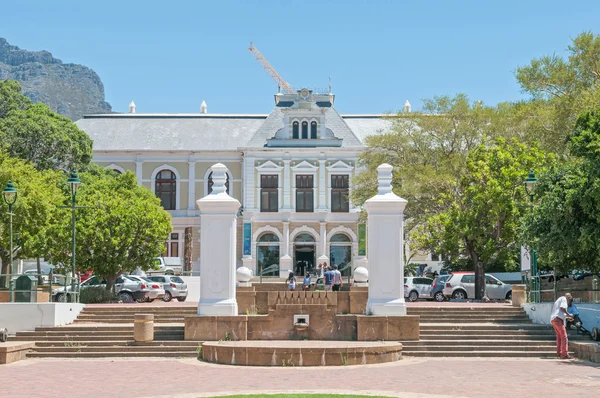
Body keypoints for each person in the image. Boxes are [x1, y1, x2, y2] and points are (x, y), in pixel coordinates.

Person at [550, 293, 574, 359]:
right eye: (569, 302)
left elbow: (560, 312)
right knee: (564, 337)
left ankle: (559, 353)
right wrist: (569, 314)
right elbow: (562, 309)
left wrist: (567, 317)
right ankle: (564, 354)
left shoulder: (559, 299)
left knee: (559, 337)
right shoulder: (564, 299)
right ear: (569, 297)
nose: (568, 304)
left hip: (554, 320)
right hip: (558, 320)